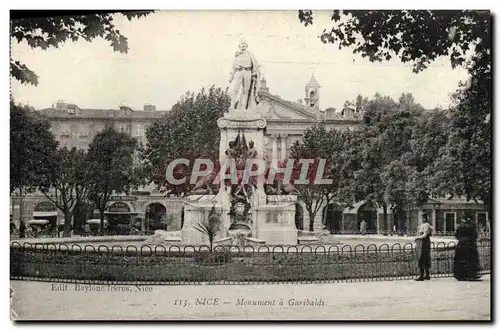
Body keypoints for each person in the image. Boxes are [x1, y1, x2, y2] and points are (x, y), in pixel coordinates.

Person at [229, 39, 260, 110]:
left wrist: (254, 73)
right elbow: (234, 67)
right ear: (239, 45)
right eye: (242, 43)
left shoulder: (250, 54)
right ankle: (232, 105)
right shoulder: (237, 55)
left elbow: (255, 64)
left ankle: (243, 106)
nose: (243, 45)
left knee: (246, 90)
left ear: (246, 45)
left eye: (245, 43)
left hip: (247, 72)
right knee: (235, 89)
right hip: (239, 72)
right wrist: (231, 77)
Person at [414, 213, 432, 281]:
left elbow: (425, 234)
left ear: (425, 218)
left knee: (421, 257)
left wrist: (418, 237)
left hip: (424, 242)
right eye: (421, 218)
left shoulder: (427, 225)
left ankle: (421, 275)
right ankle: (427, 275)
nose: (422, 219)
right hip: (421, 242)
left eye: (423, 218)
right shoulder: (422, 225)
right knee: (424, 257)